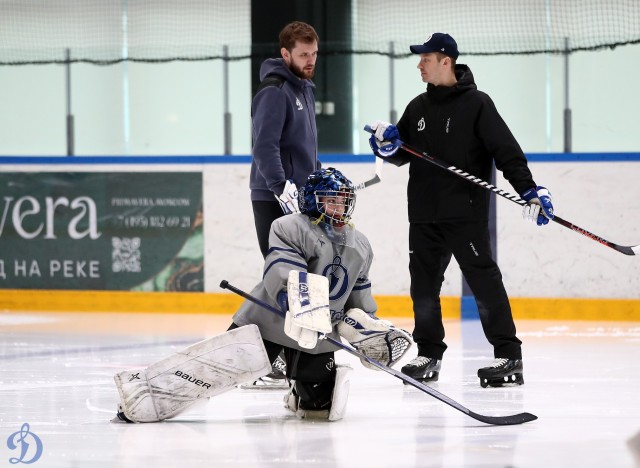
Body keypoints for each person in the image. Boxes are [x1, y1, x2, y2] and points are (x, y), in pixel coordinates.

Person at [113, 168, 410, 423]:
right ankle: (144, 393)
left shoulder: (361, 245)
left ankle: (298, 392)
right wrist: (295, 303)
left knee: (319, 409)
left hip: (318, 334)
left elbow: (359, 293)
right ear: (311, 202)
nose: (339, 208)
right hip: (269, 322)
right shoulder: (290, 227)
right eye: (330, 200)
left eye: (344, 201)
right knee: (214, 370)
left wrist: (367, 326)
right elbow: (283, 269)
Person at [367, 33, 554, 388]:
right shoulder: (417, 108)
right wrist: (386, 146)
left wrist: (530, 189)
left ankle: (508, 354)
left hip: (464, 215)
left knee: (484, 284)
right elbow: (401, 154)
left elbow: (506, 151)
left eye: (425, 58)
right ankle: (429, 354)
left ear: (445, 61)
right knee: (423, 288)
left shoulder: (477, 104)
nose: (419, 64)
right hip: (423, 215)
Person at [249, 21, 322, 387]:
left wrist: (317, 184)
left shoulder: (305, 90)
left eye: (314, 54)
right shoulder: (275, 91)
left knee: (303, 281)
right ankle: (266, 361)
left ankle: (287, 357)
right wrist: (281, 187)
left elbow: (306, 150)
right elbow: (264, 146)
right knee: (284, 279)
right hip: (273, 197)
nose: (310, 61)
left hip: (301, 198)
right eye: (303, 54)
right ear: (285, 54)